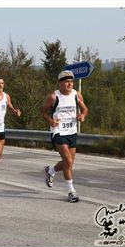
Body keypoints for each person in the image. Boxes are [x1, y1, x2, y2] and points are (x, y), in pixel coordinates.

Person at [40, 70, 88, 203]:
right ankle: (71, 191)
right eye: (67, 81)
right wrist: (50, 120)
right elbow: (43, 111)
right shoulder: (54, 97)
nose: (70, 84)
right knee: (67, 159)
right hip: (58, 132)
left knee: (69, 162)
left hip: (72, 132)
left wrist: (82, 115)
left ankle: (51, 170)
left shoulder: (76, 95)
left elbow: (85, 109)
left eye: (72, 81)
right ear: (60, 83)